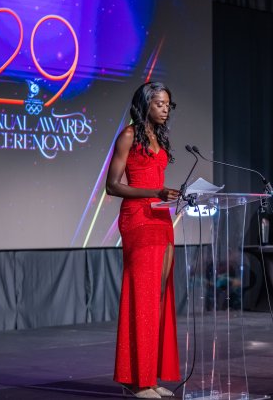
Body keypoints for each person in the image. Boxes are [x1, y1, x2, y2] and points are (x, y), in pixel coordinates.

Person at [106, 82, 181, 399]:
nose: (165, 109)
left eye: (168, 105)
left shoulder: (160, 138)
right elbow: (112, 185)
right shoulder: (128, 135)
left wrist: (171, 195)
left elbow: (157, 183)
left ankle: (150, 376)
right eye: (160, 104)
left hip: (161, 218)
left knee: (158, 298)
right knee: (142, 298)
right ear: (146, 104)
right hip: (138, 218)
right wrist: (155, 192)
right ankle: (137, 380)